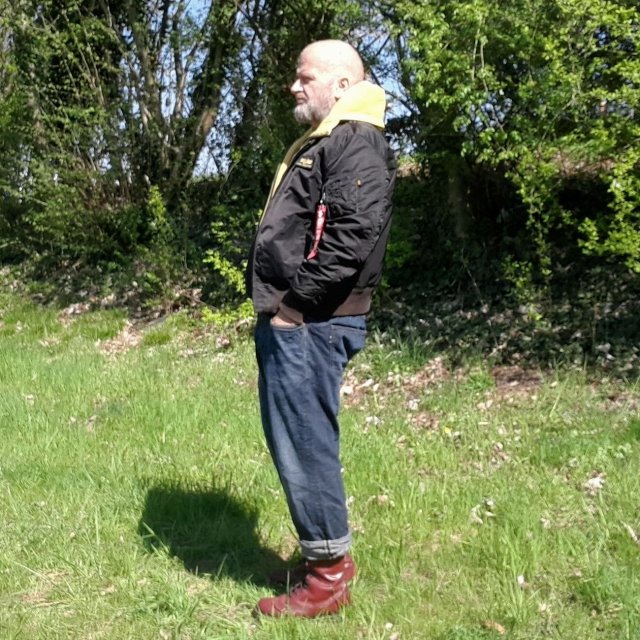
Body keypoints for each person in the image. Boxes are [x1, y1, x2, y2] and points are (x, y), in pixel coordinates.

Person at [245, 39, 396, 618]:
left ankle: (328, 578)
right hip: (305, 319)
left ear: (340, 85)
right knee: (297, 439)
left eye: (305, 77)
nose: (294, 85)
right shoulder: (334, 137)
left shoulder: (354, 140)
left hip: (313, 322)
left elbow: (351, 237)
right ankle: (322, 557)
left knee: (305, 444)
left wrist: (293, 307)